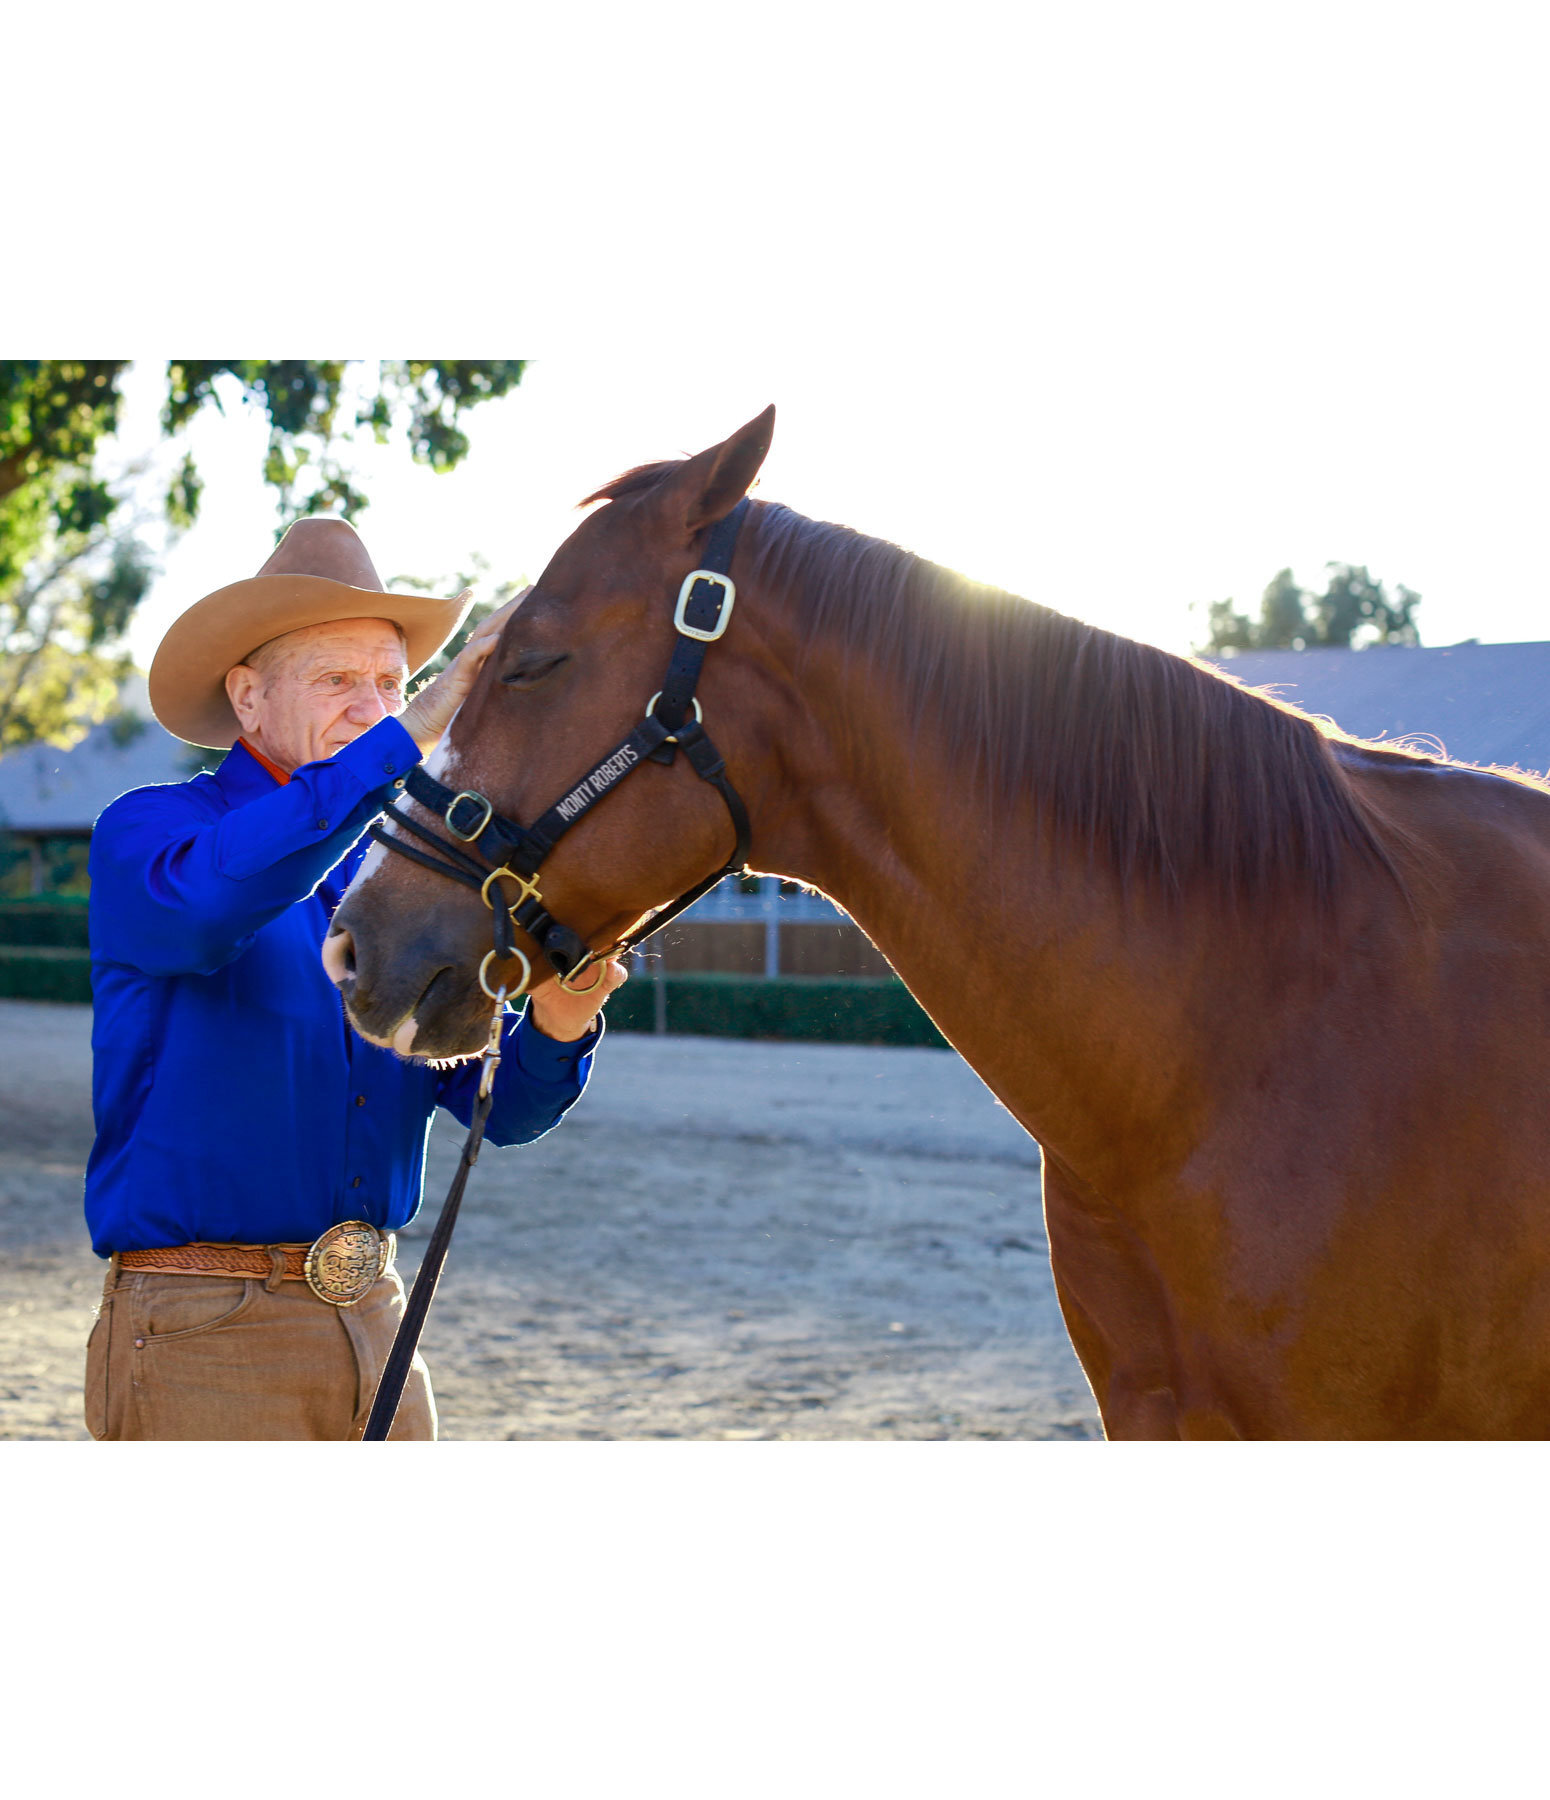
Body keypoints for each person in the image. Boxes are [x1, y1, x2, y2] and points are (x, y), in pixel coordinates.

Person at [81, 516, 625, 1440]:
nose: (375, 709)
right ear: (248, 699)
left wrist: (563, 1022)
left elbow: (502, 1115)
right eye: (337, 681)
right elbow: (214, 908)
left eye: (390, 684)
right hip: (200, 1330)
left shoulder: (400, 882)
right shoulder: (149, 829)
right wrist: (408, 735)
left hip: (381, 1320)